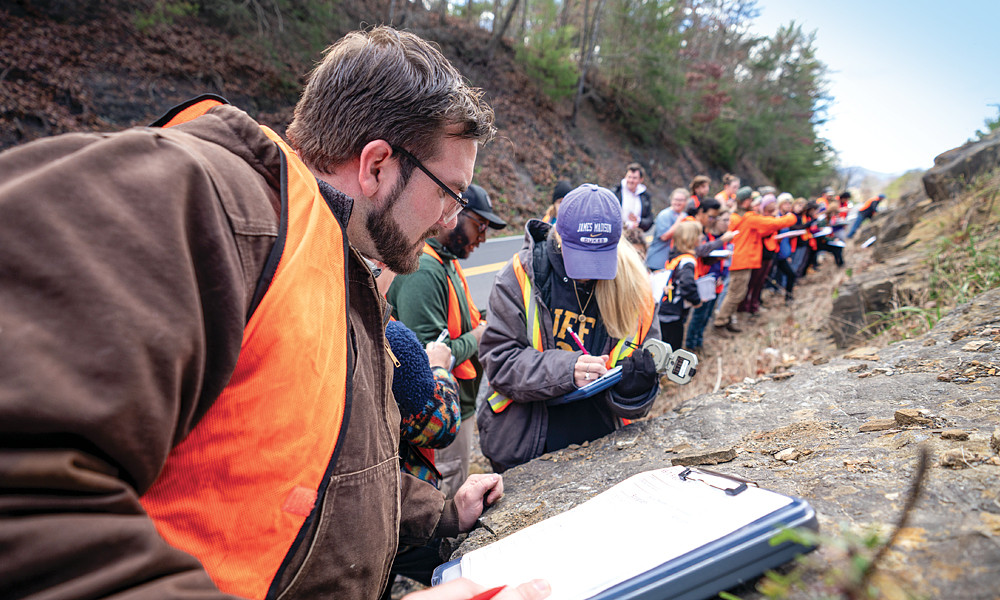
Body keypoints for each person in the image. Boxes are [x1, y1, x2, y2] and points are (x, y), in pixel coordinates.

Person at [0, 27, 548, 600]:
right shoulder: (205, 199)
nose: (447, 219)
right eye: (449, 192)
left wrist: (439, 520)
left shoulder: (339, 262)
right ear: (378, 164)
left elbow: (323, 464)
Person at [477, 184, 660, 473]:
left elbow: (638, 400)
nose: (589, 274)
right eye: (581, 259)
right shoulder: (519, 276)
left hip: (602, 439)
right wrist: (567, 368)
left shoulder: (636, 288)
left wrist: (635, 389)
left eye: (599, 262)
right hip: (525, 441)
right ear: (559, 236)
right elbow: (499, 363)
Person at [387, 184, 506, 498]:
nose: (482, 237)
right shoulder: (425, 270)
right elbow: (428, 355)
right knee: (447, 495)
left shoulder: (447, 262)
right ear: (453, 213)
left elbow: (458, 322)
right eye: (479, 226)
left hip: (458, 406)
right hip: (440, 414)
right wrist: (479, 336)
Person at [713, 187, 795, 333]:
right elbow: (773, 224)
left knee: (737, 293)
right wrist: (791, 217)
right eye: (752, 200)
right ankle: (720, 322)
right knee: (734, 294)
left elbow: (764, 230)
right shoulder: (749, 217)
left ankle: (728, 320)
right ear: (746, 202)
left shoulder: (743, 216)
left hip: (744, 260)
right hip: (741, 261)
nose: (755, 203)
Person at [685, 199, 736, 352]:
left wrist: (723, 272)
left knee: (706, 315)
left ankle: (699, 343)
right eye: (724, 219)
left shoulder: (724, 238)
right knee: (698, 315)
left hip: (717, 280)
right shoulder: (706, 235)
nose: (727, 223)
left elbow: (720, 260)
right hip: (704, 279)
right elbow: (701, 253)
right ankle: (690, 345)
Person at [656, 220, 703, 352]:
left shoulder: (675, 255)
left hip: (664, 306)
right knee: (673, 348)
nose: (702, 237)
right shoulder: (688, 261)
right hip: (673, 311)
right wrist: (696, 300)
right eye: (699, 234)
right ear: (691, 239)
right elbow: (687, 284)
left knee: (662, 345)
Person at [646, 187, 690, 270]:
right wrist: (678, 222)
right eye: (676, 199)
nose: (678, 202)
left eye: (681, 200)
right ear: (671, 200)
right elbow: (664, 236)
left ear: (686, 202)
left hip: (673, 261)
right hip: (658, 260)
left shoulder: (685, 216)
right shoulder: (665, 215)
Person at [613, 162, 654, 231]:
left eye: (634, 178)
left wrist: (639, 221)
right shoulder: (616, 192)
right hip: (618, 232)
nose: (631, 180)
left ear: (641, 180)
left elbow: (649, 220)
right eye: (629, 177)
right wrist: (625, 225)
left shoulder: (645, 196)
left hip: (636, 234)